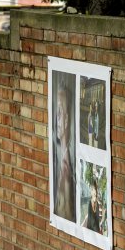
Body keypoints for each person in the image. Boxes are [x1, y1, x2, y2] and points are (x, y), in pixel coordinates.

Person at [53, 85, 75, 221]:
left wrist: (66, 186)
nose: (57, 119)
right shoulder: (55, 155)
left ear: (66, 120)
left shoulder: (71, 160)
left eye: (60, 112)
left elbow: (68, 216)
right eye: (57, 113)